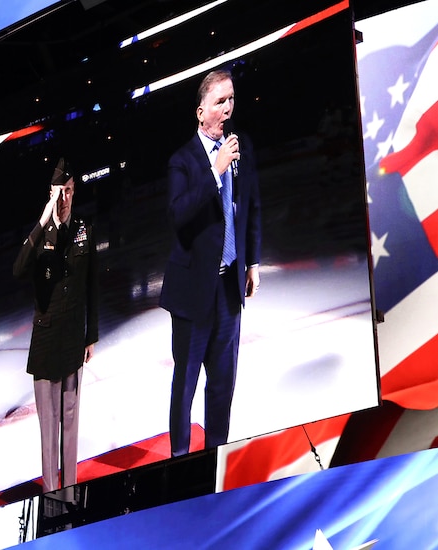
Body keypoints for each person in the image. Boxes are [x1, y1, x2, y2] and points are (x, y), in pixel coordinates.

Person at [158, 68, 262, 457]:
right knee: (184, 385)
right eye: (219, 101)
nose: (227, 108)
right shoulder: (182, 162)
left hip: (228, 290)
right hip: (193, 293)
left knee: (223, 384)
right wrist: (214, 173)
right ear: (200, 111)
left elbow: (251, 206)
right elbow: (178, 216)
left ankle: (216, 456)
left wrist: (251, 262)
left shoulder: (241, 148)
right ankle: (180, 460)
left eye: (231, 99)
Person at [13, 158, 99, 492]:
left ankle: (71, 489)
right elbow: (18, 270)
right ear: (50, 194)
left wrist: (91, 335)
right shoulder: (39, 234)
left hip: (73, 338)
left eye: (70, 191)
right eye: (60, 192)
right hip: (47, 343)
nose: (65, 198)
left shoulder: (84, 229)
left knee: (71, 420)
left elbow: (92, 284)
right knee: (48, 426)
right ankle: (52, 492)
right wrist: (43, 219)